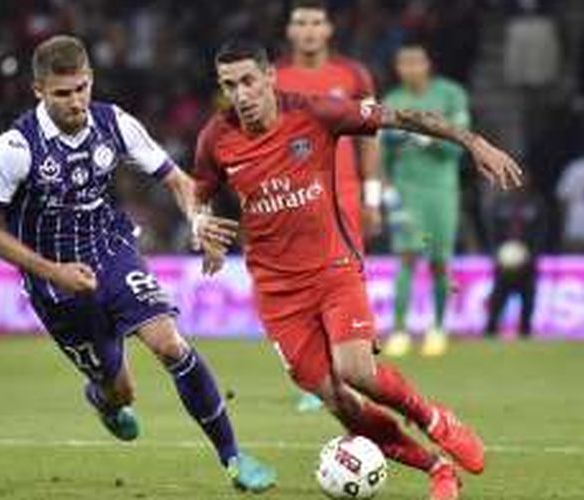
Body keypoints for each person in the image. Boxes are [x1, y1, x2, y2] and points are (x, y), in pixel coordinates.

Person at [194, 39, 522, 500]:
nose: (241, 94)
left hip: (332, 268)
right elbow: (201, 192)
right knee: (339, 402)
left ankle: (434, 419)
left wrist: (473, 142)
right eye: (229, 85)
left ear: (271, 76)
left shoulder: (317, 112)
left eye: (248, 81)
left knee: (358, 371)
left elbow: (402, 118)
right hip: (276, 291)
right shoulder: (216, 138)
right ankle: (438, 468)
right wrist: (200, 223)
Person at [0, 35, 275, 492]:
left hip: (111, 250)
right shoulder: (17, 147)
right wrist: (53, 272)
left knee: (170, 345)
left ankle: (233, 457)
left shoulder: (113, 122)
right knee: (121, 391)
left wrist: (198, 221)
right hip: (56, 284)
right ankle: (104, 399)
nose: (76, 101)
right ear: (38, 91)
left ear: (91, 80)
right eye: (62, 93)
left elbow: (176, 179)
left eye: (82, 88)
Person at [276, 0, 381, 413]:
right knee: (303, 282)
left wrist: (374, 197)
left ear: (329, 29)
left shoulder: (353, 75)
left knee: (349, 277)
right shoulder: (274, 78)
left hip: (344, 197)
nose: (308, 30)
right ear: (289, 30)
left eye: (315, 22)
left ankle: (356, 364)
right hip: (294, 198)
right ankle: (319, 376)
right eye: (300, 22)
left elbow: (371, 137)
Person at [380, 41, 472, 358]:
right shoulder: (392, 100)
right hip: (406, 193)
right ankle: (400, 330)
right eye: (404, 63)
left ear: (427, 64)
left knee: (438, 261)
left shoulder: (450, 95)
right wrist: (385, 189)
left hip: (441, 191)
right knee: (406, 257)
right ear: (398, 68)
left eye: (416, 61)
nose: (410, 68)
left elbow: (457, 146)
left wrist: (428, 135)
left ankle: (437, 328)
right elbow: (382, 153)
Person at [483, 177, 548, 338]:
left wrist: (531, 255)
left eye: (521, 179)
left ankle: (525, 332)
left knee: (528, 300)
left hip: (527, 264)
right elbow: (492, 232)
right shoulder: (499, 204)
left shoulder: (536, 204)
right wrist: (496, 254)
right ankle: (490, 330)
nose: (518, 183)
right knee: (498, 298)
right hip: (503, 265)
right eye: (512, 180)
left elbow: (542, 232)